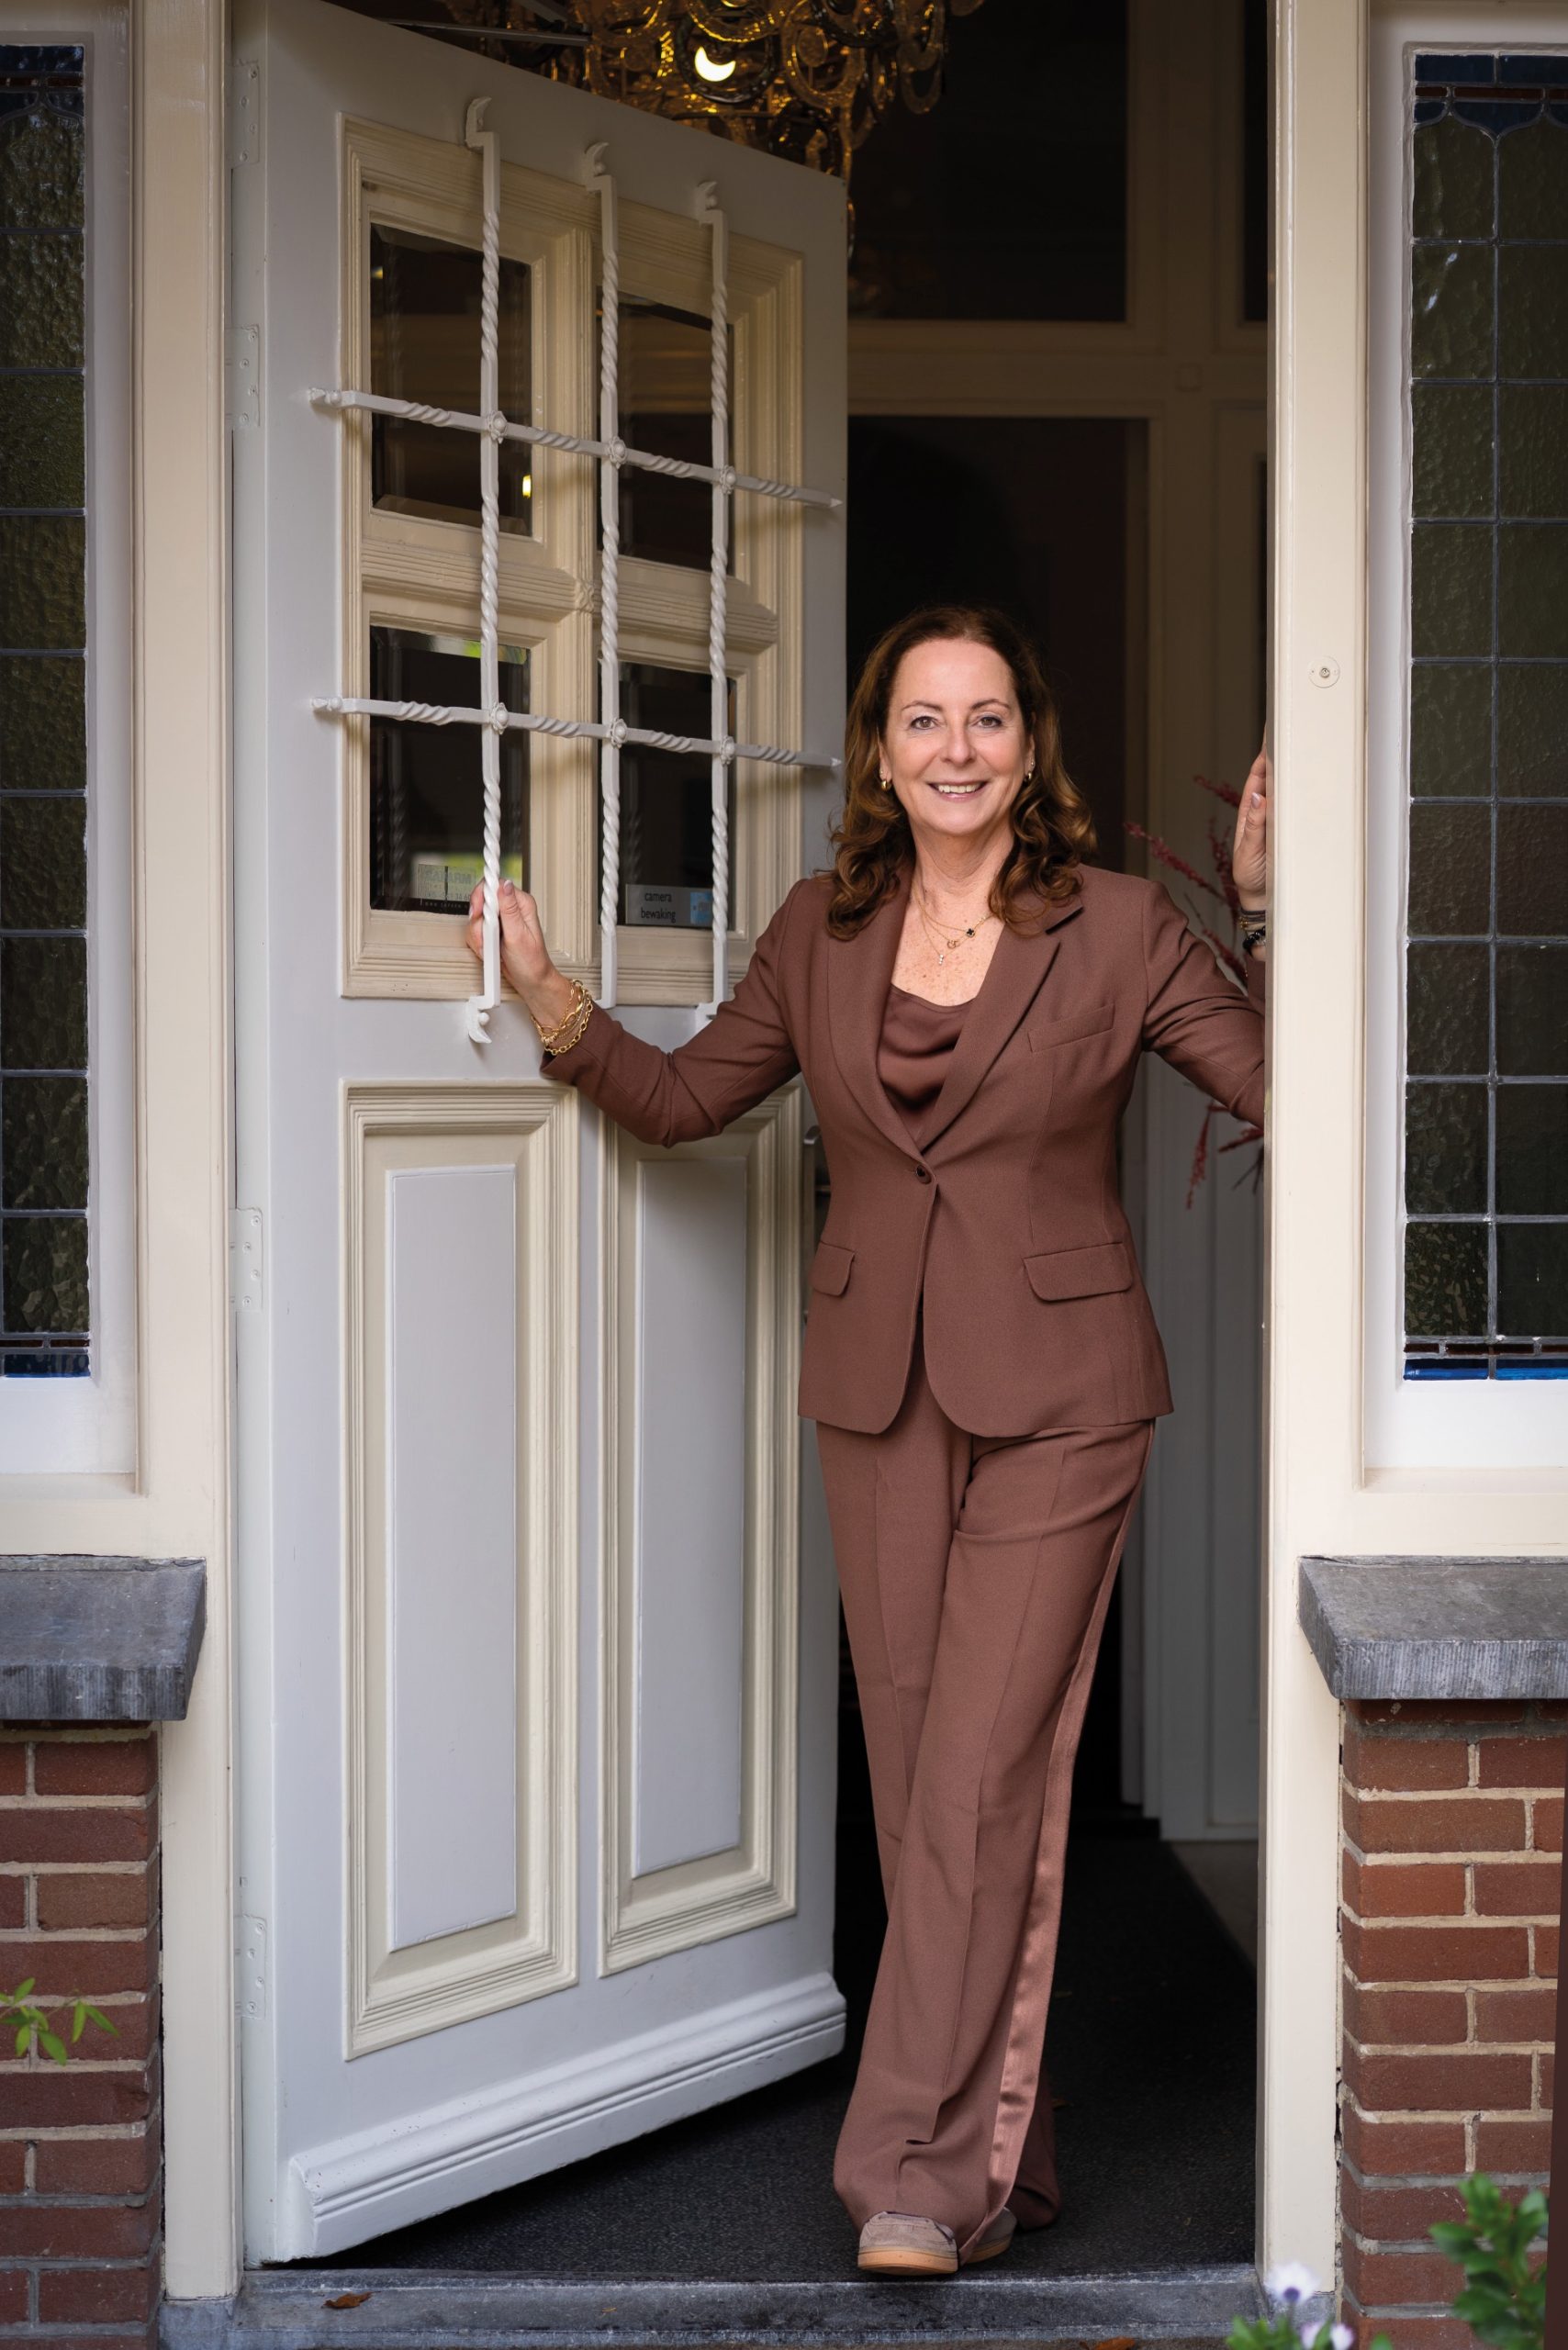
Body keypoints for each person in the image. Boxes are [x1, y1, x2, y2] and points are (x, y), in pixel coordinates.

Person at [466, 602, 1269, 2279]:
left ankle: (904, 2174)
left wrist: (1260, 914)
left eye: (987, 718)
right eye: (924, 720)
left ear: (1028, 747)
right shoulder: (818, 933)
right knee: (917, 1791)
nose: (956, 749)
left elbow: (1283, 1091)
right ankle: (1005, 2158)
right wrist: (549, 1002)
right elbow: (691, 1101)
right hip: (876, 1391)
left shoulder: (1121, 927)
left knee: (981, 1772)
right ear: (882, 753)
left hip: (1064, 1399)